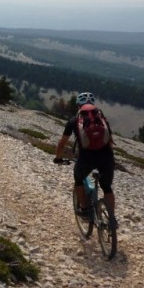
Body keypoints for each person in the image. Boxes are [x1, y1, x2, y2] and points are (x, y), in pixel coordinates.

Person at [53, 91, 118, 229]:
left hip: (86, 157)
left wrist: (58, 157)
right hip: (106, 156)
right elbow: (110, 142)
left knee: (78, 179)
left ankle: (84, 209)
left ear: (78, 105)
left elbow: (62, 143)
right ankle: (111, 218)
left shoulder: (74, 121)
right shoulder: (101, 118)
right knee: (106, 187)